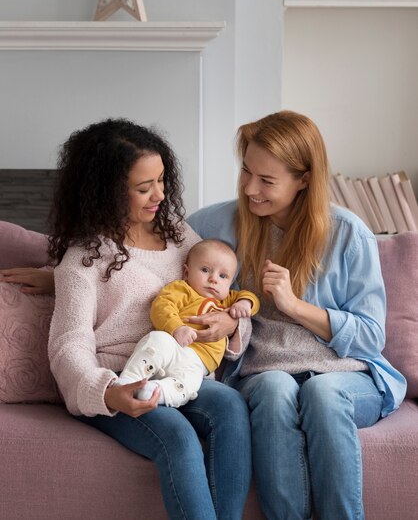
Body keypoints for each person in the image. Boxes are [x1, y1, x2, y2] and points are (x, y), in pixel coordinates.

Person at [13, 118, 252, 520]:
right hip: (124, 378)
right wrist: (107, 393)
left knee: (229, 405)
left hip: (182, 369)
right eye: (144, 188)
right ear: (106, 192)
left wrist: (231, 324)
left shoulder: (178, 234)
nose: (159, 194)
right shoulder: (82, 260)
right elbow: (68, 345)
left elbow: (223, 292)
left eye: (161, 181)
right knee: (176, 435)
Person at [187, 110, 407, 520]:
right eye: (246, 172)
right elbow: (146, 255)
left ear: (304, 178)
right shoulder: (218, 222)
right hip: (264, 370)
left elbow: (370, 337)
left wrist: (293, 306)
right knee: (273, 390)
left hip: (347, 372)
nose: (250, 189)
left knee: (322, 394)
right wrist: (62, 274)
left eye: (267, 180)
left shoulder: (348, 233)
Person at [117, 238, 259, 407]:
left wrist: (245, 303)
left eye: (223, 276)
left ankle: (156, 391)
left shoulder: (227, 300)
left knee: (188, 385)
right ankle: (128, 381)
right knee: (156, 340)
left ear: (230, 283)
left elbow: (251, 297)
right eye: (205, 270)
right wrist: (177, 328)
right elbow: (161, 306)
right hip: (173, 346)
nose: (214, 279)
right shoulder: (183, 289)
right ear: (186, 272)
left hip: (198, 363)